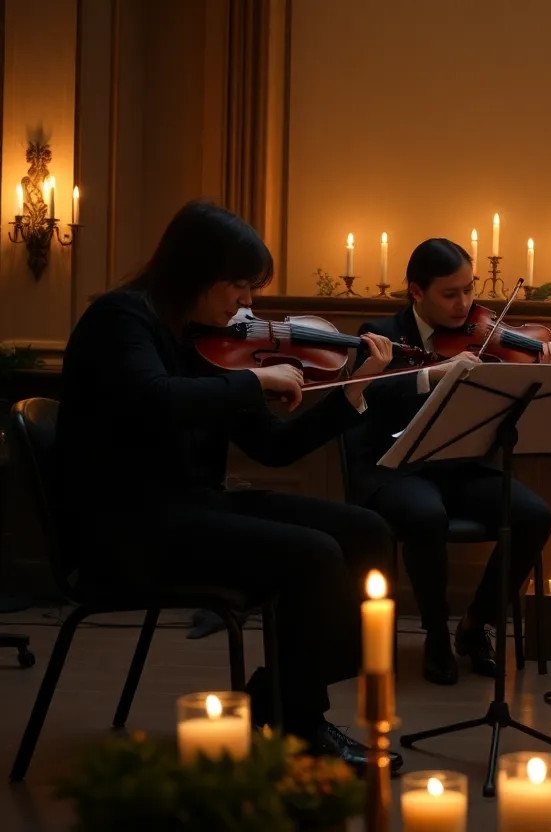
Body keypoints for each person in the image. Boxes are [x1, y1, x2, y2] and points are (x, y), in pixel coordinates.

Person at [56, 199, 403, 771]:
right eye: (239, 284)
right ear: (196, 273)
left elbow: (273, 446)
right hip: (128, 528)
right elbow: (155, 399)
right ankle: (299, 722)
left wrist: (352, 393)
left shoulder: (206, 340)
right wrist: (252, 379)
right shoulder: (121, 320)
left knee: (367, 531)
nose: (248, 302)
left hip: (195, 509)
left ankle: (280, 696)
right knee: (313, 556)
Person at [343, 238, 551, 685]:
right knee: (426, 516)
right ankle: (435, 634)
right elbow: (365, 397)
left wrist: (549, 371)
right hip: (397, 466)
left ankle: (475, 624)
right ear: (416, 292)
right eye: (450, 294)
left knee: (534, 516)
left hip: (463, 465)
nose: (465, 304)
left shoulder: (484, 335)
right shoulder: (381, 332)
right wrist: (430, 375)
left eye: (469, 289)